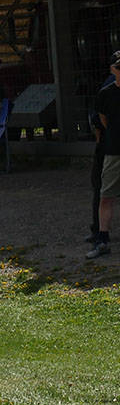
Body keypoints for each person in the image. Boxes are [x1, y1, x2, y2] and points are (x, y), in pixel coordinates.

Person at [88, 52, 120, 259]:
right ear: (112, 69)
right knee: (105, 194)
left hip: (111, 147)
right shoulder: (106, 93)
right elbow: (101, 120)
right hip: (113, 150)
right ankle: (101, 238)